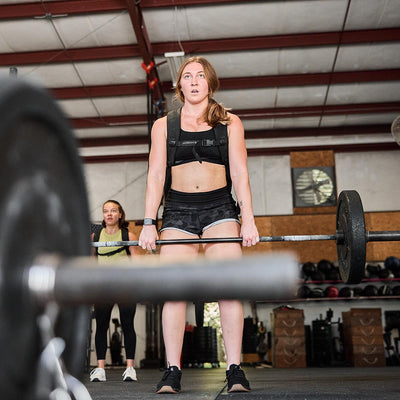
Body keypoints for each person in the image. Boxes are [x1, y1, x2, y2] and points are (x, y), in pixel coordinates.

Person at [138, 56, 259, 394]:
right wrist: (149, 222)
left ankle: (234, 369)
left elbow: (240, 174)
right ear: (180, 86)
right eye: (187, 76)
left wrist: (247, 219)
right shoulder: (163, 125)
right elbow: (155, 176)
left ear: (210, 84)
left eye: (200, 76)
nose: (193, 81)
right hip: (177, 211)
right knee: (174, 293)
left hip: (220, 208)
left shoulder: (231, 123)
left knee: (228, 287)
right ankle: (172, 371)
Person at [89, 200, 139, 383]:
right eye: (105, 211)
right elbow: (91, 263)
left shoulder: (128, 234)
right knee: (101, 327)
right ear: (103, 215)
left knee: (127, 325)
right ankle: (100, 369)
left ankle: (130, 368)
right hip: (103, 288)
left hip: (126, 287)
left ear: (120, 214)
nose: (109, 214)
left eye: (113, 211)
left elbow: (139, 265)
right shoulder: (96, 236)